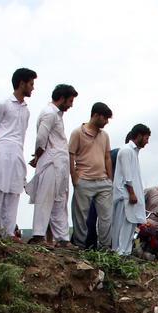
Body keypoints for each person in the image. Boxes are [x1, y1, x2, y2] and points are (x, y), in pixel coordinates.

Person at [0, 67, 36, 238]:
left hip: (16, 154)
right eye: (30, 84)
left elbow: (21, 136)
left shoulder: (26, 110)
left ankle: (8, 233)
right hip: (1, 151)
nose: (32, 88)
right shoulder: (3, 104)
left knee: (13, 192)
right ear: (22, 83)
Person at [26, 84, 76, 246]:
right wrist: (37, 156)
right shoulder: (49, 113)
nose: (71, 105)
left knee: (60, 201)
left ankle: (62, 238)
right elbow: (41, 139)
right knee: (45, 198)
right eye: (69, 101)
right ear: (61, 98)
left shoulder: (57, 115)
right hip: (51, 162)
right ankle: (39, 235)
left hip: (59, 164)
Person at [69, 102, 113, 249]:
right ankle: (80, 247)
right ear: (95, 115)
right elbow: (71, 156)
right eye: (105, 118)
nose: (106, 122)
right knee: (81, 217)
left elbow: (107, 157)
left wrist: (109, 178)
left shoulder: (105, 135)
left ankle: (105, 247)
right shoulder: (77, 133)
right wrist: (74, 178)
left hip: (103, 182)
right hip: (84, 180)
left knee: (106, 217)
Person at [112, 123, 150, 254]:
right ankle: (120, 252)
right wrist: (132, 194)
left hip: (131, 195)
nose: (147, 142)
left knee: (131, 224)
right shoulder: (126, 150)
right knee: (123, 225)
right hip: (126, 195)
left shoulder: (134, 152)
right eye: (146, 138)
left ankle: (125, 251)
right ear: (138, 136)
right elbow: (127, 177)